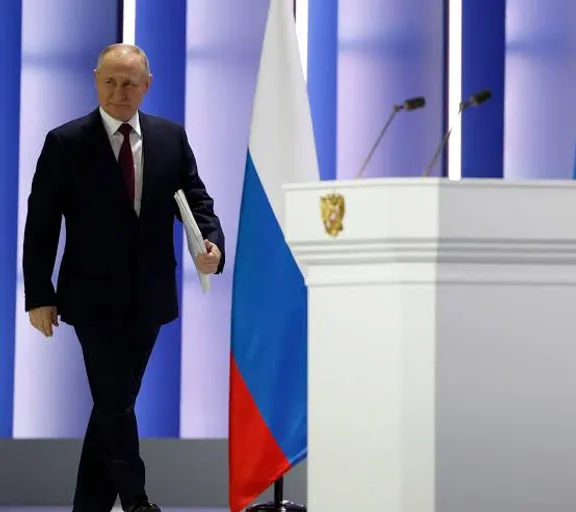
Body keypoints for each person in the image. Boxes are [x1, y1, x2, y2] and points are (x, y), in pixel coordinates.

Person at [22, 43, 225, 512]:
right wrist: (39, 294)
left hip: (150, 295)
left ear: (146, 85)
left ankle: (88, 507)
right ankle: (137, 500)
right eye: (110, 81)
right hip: (89, 297)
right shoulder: (66, 142)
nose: (119, 91)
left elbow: (196, 200)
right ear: (96, 80)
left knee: (113, 404)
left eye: (129, 82)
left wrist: (211, 244)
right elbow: (41, 222)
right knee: (114, 399)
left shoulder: (170, 137)